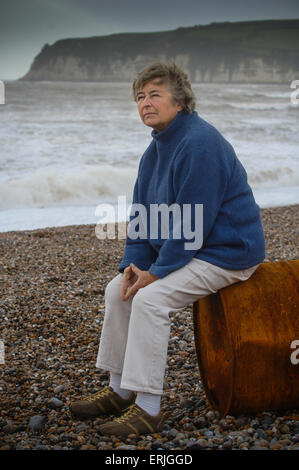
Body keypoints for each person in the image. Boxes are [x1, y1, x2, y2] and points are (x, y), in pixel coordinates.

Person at [70, 61, 265, 436]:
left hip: (227, 251)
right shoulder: (154, 150)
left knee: (150, 299)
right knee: (118, 290)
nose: (145, 102)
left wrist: (155, 274)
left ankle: (148, 407)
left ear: (180, 101)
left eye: (155, 94)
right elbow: (141, 215)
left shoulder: (200, 143)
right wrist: (133, 265)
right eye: (140, 97)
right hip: (190, 248)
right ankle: (119, 387)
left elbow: (195, 224)